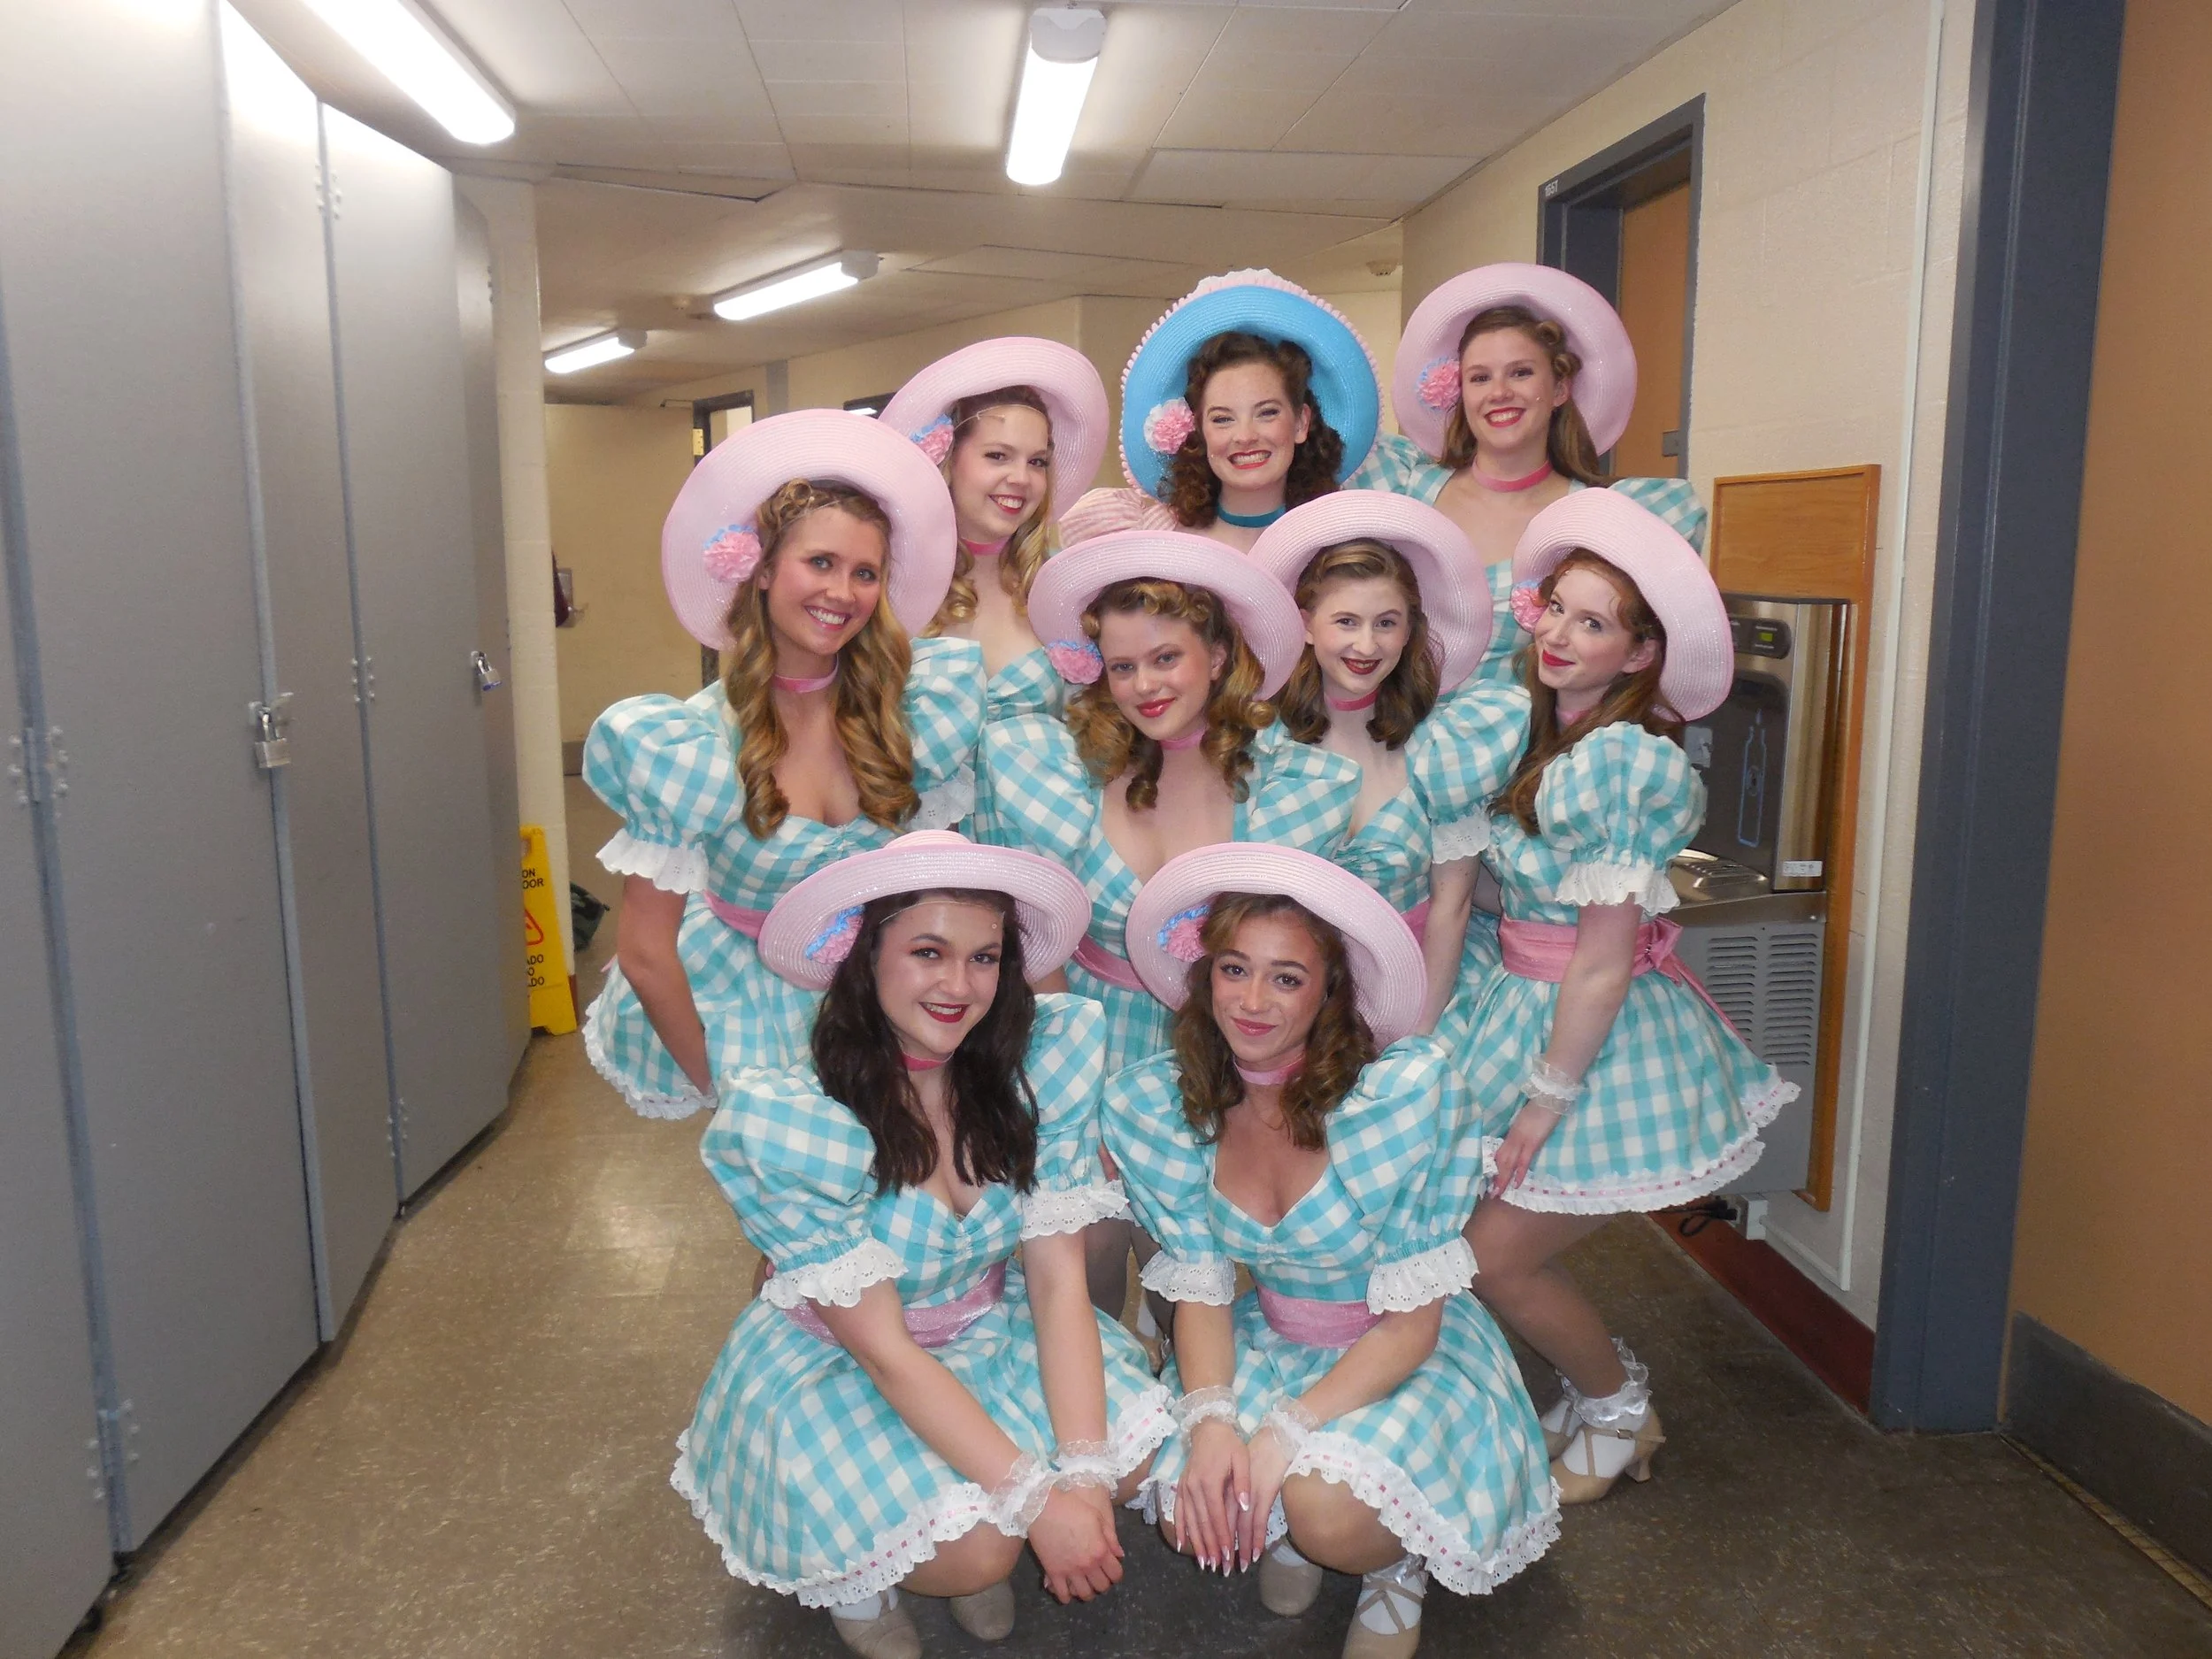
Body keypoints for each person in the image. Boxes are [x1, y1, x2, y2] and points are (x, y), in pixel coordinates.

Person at [675, 831, 1171, 1657]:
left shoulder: (1027, 1071)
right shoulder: (803, 1119)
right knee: (984, 1546)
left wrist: (1081, 1476)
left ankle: (962, 1534)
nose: (959, 986)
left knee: (1126, 1463)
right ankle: (863, 1576)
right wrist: (1035, 1502)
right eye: (928, 952)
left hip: (985, 1328)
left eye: (984, 958)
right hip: (847, 1363)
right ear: (866, 955)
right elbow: (888, 1355)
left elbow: (1057, 1285)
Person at [1104, 846, 1556, 1659]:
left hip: (1403, 1351)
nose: (1252, 1001)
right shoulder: (1167, 1104)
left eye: (1286, 977)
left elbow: (1412, 1324)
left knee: (1327, 1517)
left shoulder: (1399, 1101)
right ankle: (1300, 1506)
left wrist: (1281, 1435)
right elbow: (1203, 1289)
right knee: (1189, 1504)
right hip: (1275, 1338)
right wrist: (1214, 1424)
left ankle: (1394, 1562)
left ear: (1330, 991)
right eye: (1234, 969)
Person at [1449, 489, 1794, 1507]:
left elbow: (1601, 962)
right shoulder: (1544, 731)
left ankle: (1617, 1407)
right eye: (1556, 608)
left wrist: (1544, 1099)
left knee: (1494, 1258)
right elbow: (1518, 900)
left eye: (1592, 624)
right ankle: (1592, 1383)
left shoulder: (1618, 764)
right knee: (1482, 1244)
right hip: (1521, 1003)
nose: (1558, 635)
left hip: (1589, 1038)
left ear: (1640, 653)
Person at [581, 410, 980, 1118]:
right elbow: (644, 950)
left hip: (889, 1015)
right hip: (752, 1026)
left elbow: (946, 891)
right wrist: (723, 1090)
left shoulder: (912, 713)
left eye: (865, 572)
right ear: (762, 568)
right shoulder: (693, 742)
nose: (842, 593)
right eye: (820, 562)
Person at [980, 530, 1359, 1073]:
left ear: (1217, 657)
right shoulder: (1060, 773)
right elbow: (1033, 943)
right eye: (1122, 666)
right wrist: (1067, 1073)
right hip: (1079, 1049)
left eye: (1165, 658)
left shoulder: (1292, 791)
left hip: (1228, 1059)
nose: (1144, 685)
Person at [1247, 491, 1530, 1032]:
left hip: (1421, 992)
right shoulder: (1259, 738)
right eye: (1346, 621)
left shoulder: (1447, 745)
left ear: (1409, 629)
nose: (1366, 644)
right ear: (1305, 624)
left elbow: (1451, 909)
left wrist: (1413, 1037)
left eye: (1386, 622)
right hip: (1279, 1007)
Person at [1352, 263, 1708, 684]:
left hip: (1528, 726)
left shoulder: (1602, 520)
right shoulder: (1402, 489)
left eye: (1521, 372)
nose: (1499, 392)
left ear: (1559, 389)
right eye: (1480, 378)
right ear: (1460, 393)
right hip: (1387, 722)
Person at [1060, 271, 1380, 552]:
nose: (1245, 436)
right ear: (1199, 431)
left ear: (1301, 422)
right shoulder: (1158, 540)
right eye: (1223, 419)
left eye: (1267, 413)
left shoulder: (1336, 549)